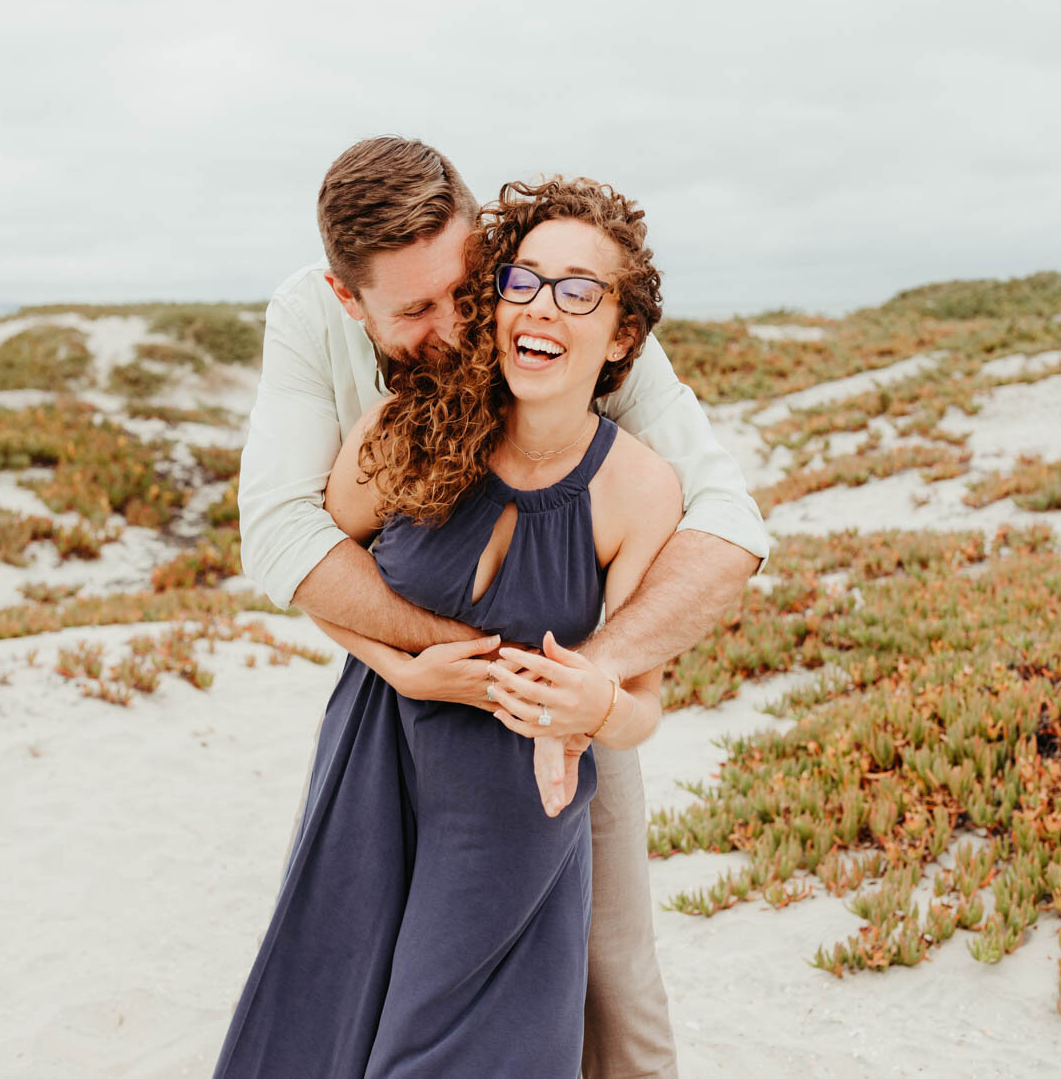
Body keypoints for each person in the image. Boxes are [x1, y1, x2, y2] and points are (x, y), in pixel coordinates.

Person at [231, 139, 769, 1078]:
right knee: (342, 967)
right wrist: (415, 663)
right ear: (346, 297)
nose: (456, 325)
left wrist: (581, 681)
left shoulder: (552, 307)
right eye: (415, 310)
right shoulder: (322, 337)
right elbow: (288, 536)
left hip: (559, 719)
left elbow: (728, 525)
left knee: (614, 981)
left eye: (465, 284)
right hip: (396, 715)